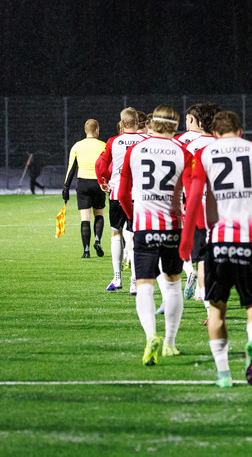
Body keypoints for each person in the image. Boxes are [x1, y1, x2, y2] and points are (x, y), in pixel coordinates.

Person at [179, 110, 252, 387]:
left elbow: (193, 200)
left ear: (214, 134)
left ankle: (224, 374)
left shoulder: (204, 154)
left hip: (218, 240)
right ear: (240, 131)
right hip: (251, 239)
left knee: (216, 312)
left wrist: (186, 242)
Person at [118, 104, 190, 366]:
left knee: (145, 286)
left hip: (144, 227)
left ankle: (151, 335)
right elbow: (192, 194)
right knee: (172, 286)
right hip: (173, 227)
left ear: (151, 123)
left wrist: (132, 218)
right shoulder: (183, 152)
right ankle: (169, 343)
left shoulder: (135, 150)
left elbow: (122, 193)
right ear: (175, 125)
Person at [95, 107, 146, 292]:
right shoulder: (145, 140)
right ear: (137, 122)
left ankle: (117, 278)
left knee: (116, 233)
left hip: (117, 193)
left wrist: (103, 181)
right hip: (139, 195)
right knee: (134, 235)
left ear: (122, 124)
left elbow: (101, 165)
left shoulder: (113, 141)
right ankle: (134, 281)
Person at [180, 102, 221, 320]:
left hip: (198, 210)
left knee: (203, 258)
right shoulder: (227, 146)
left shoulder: (188, 146)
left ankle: (208, 304)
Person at [63, 119, 107, 258]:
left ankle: (86, 251)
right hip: (98, 183)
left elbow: (71, 169)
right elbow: (107, 167)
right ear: (97, 130)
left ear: (85, 130)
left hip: (83, 184)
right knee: (99, 215)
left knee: (85, 218)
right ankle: (97, 240)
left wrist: (66, 187)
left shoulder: (77, 146)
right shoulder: (103, 146)